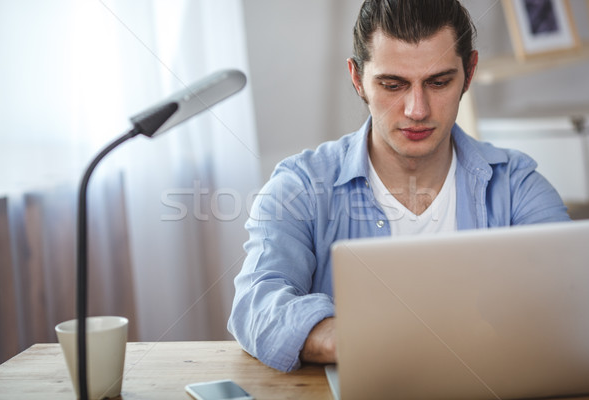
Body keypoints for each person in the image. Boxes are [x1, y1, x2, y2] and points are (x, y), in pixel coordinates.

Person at [228, 0, 570, 373]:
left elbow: (573, 299)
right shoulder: (300, 187)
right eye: (393, 85)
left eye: (439, 82)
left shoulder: (517, 184)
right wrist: (342, 337)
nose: (417, 109)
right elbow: (255, 303)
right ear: (357, 79)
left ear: (469, 73)